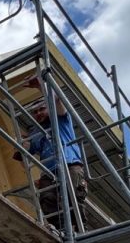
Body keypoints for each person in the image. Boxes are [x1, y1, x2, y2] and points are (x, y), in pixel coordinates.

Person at [24, 93, 87, 227]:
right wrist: (21, 143)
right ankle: (60, 230)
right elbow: (27, 151)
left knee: (73, 196)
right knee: (47, 201)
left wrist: (41, 87)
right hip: (48, 171)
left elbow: (58, 101)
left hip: (69, 163)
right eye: (35, 112)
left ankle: (79, 229)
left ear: (49, 108)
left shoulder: (60, 120)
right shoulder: (36, 133)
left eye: (42, 109)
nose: (38, 113)